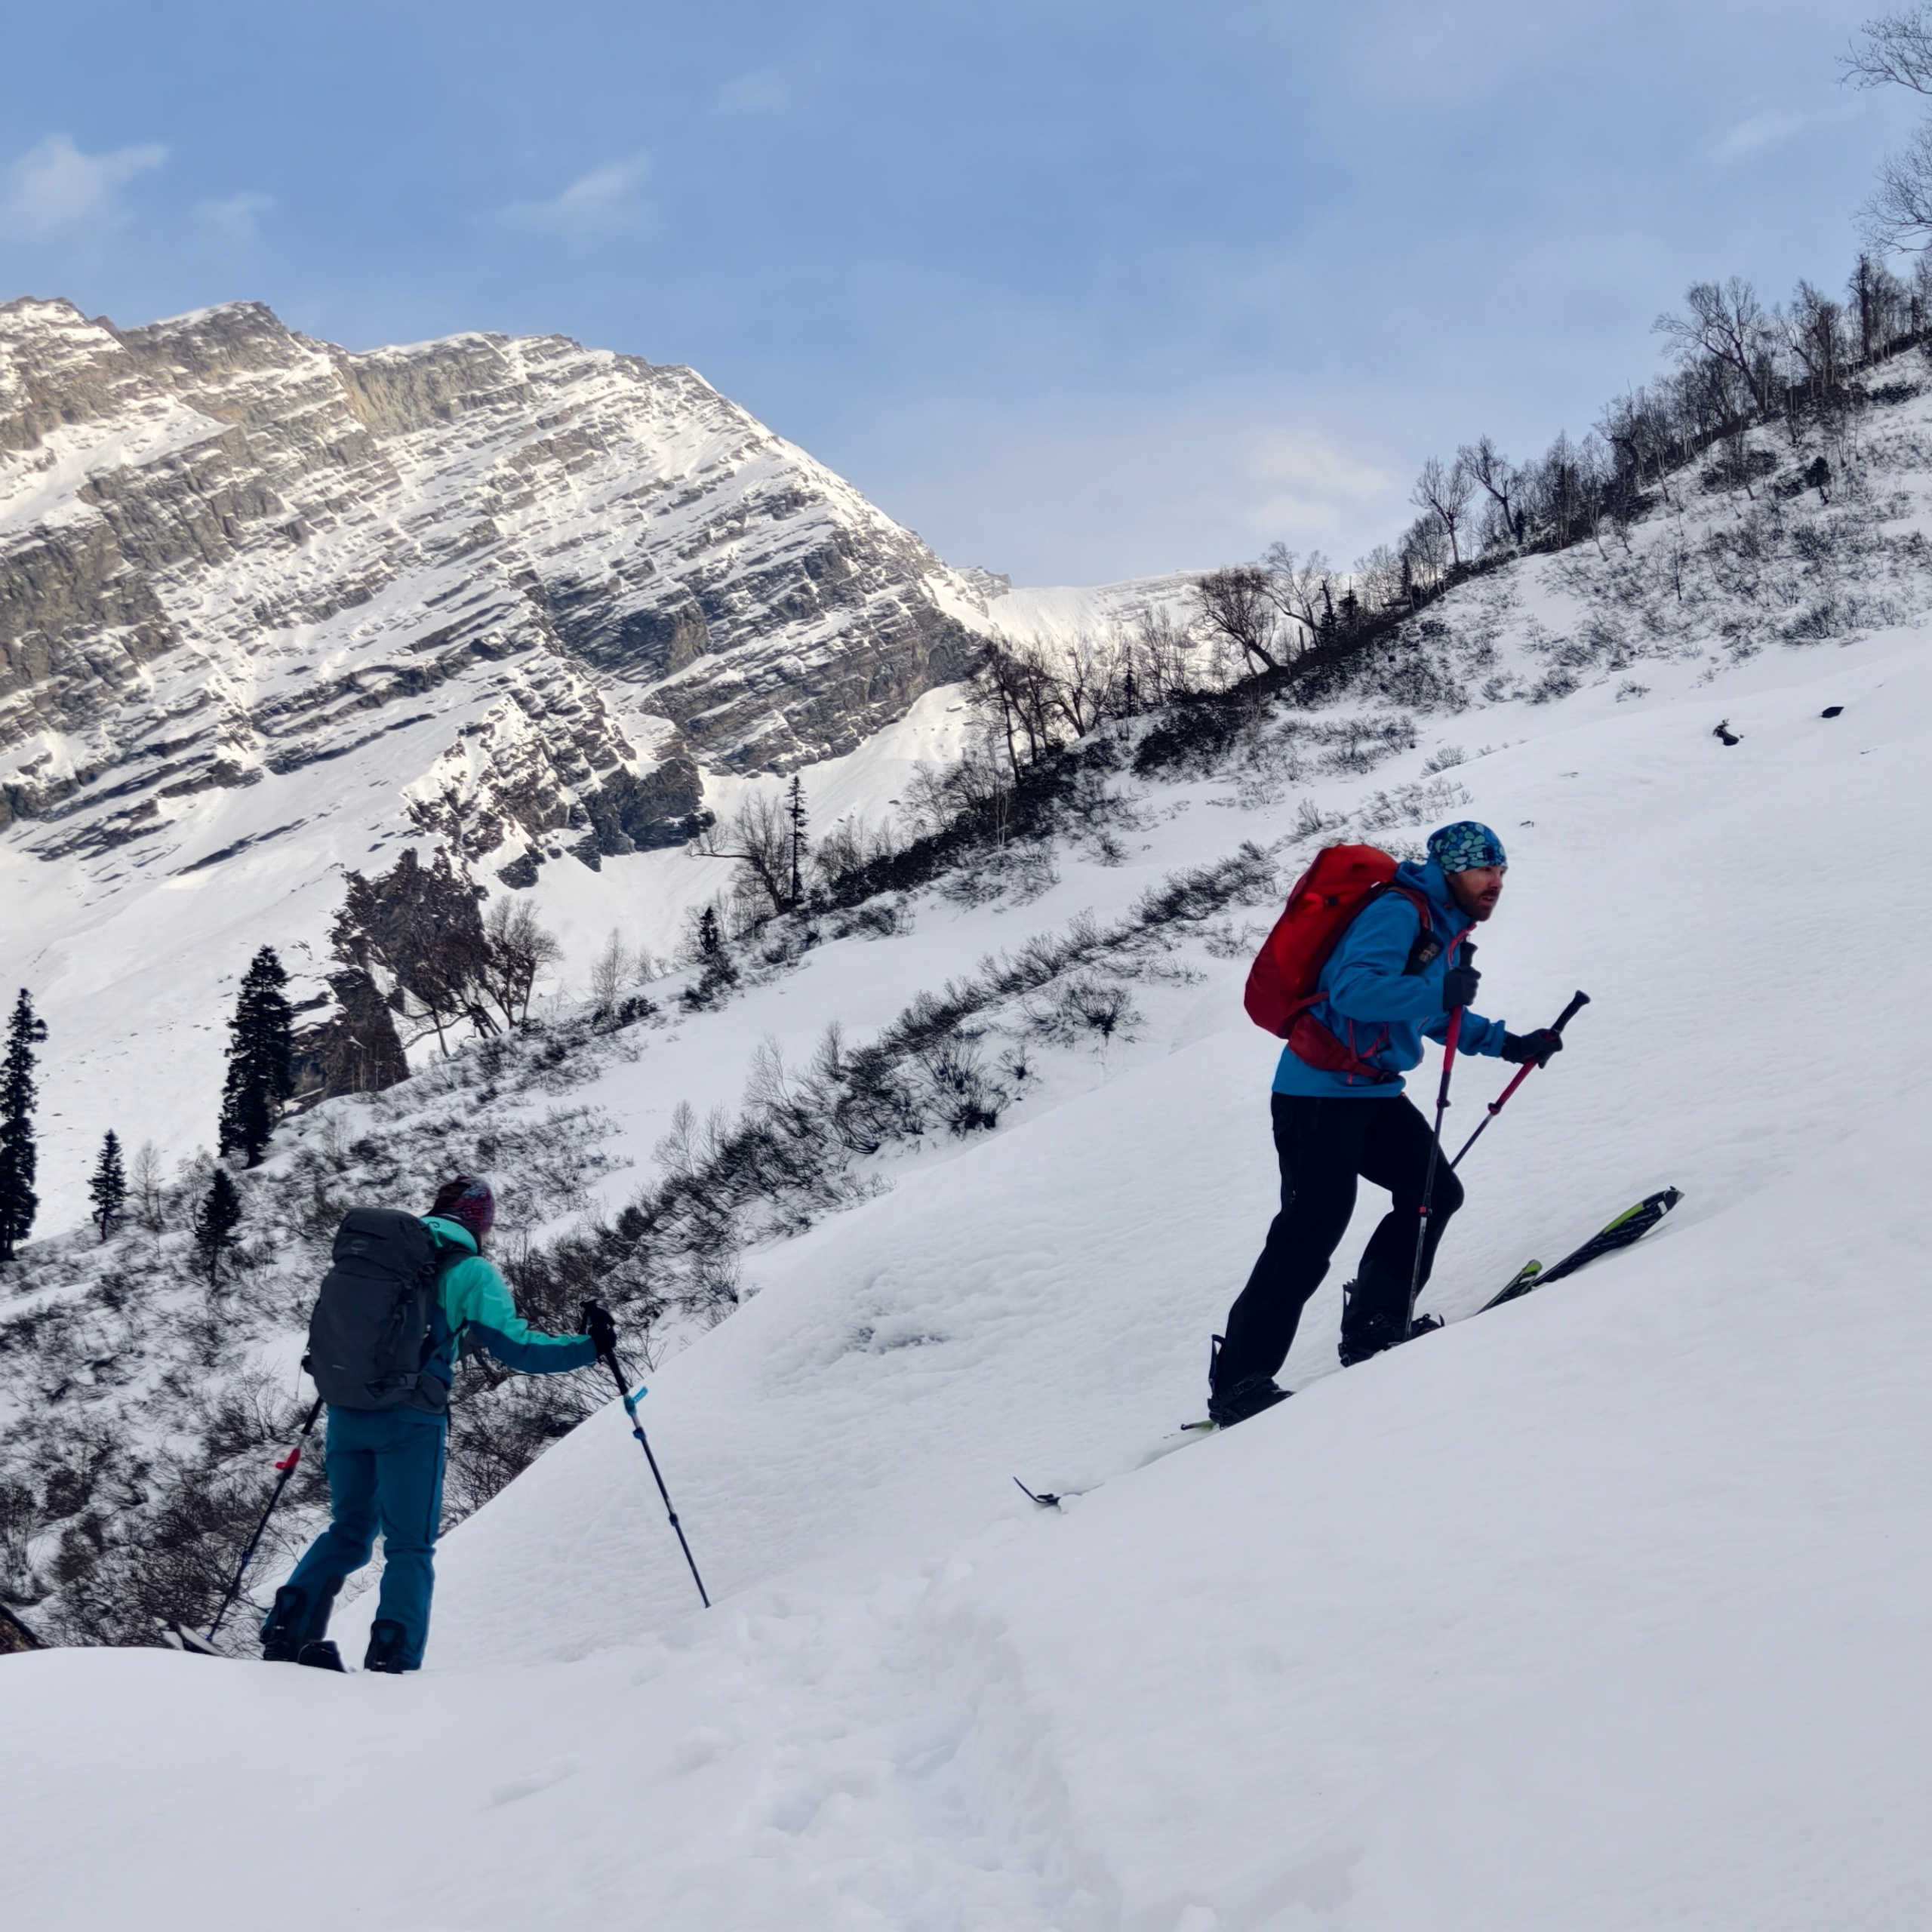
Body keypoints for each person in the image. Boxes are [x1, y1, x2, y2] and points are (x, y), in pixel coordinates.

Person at [1206, 822, 1564, 1427]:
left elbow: (1427, 1013)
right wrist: (1437, 994)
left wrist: (1507, 1044)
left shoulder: (1444, 925)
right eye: (1484, 870)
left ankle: (1375, 1322)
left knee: (1433, 1194)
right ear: (1450, 870)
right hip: (1316, 1094)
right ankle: (1240, 1379)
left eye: (1502, 871)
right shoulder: (1400, 911)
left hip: (1370, 1091)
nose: (1496, 882)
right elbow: (1353, 994)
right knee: (1310, 1231)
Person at [260, 1176, 613, 1672]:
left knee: (349, 1530)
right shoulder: (472, 1272)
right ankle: (392, 1655)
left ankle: (285, 1630)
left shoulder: (383, 1257)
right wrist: (590, 1345)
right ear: (482, 1223)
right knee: (409, 1545)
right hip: (410, 1422)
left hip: (346, 1411)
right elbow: (517, 1349)